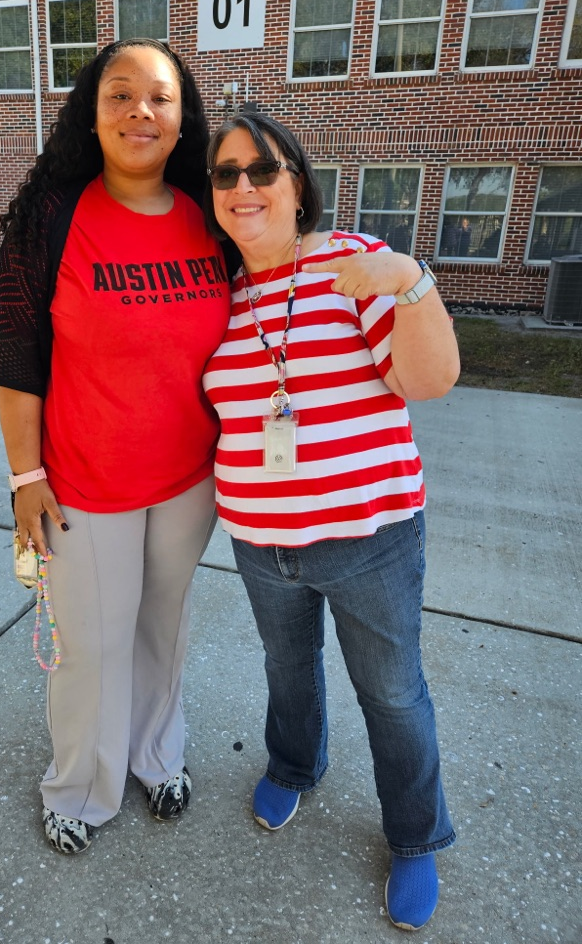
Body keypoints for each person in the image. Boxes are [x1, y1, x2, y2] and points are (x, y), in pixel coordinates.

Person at [201, 113, 460, 931]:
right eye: (226, 174)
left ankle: (415, 837)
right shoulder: (221, 294)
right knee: (288, 668)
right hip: (257, 539)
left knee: (391, 695)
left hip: (369, 538)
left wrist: (408, 281)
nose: (244, 187)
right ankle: (294, 764)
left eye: (262, 170)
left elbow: (432, 378)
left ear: (297, 182)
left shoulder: (356, 265)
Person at [0, 39, 230, 855]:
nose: (139, 112)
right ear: (93, 110)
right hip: (84, 484)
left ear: (182, 115)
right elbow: (15, 357)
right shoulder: (55, 215)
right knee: (91, 646)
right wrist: (25, 476)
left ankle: (159, 757)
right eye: (120, 94)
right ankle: (81, 788)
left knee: (164, 628)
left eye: (159, 97)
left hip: (189, 482)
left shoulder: (210, 211)